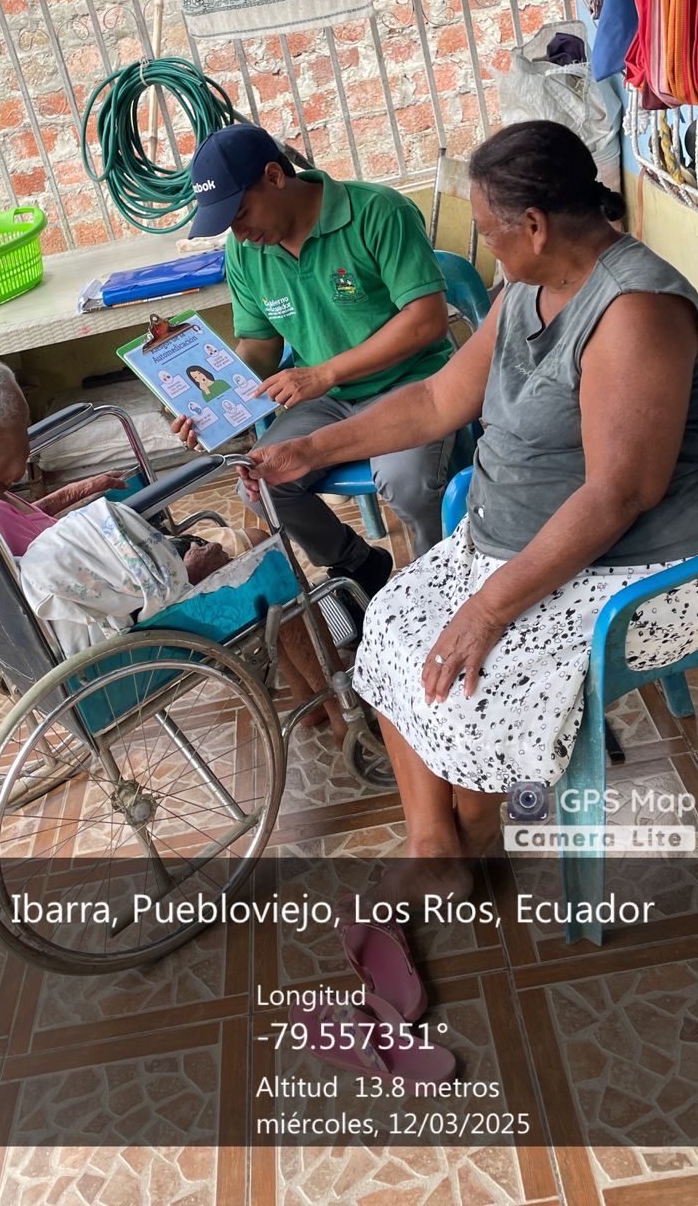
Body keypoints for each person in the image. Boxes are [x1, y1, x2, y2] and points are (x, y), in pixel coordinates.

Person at [244, 122, 698, 905]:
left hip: (629, 564)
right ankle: (436, 845)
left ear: (535, 226)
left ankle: (476, 832)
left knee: (473, 679)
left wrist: (489, 608)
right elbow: (435, 399)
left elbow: (619, 494)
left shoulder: (635, 310)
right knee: (391, 627)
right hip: (510, 540)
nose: (484, 246)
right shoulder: (526, 288)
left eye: (488, 230)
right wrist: (309, 450)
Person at [0, 355, 349, 738]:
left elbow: (22, 531)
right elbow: (100, 599)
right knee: (260, 550)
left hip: (42, 652)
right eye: (24, 428)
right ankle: (341, 708)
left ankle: (309, 700)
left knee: (237, 551)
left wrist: (71, 493)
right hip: (112, 647)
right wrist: (188, 571)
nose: (28, 444)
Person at [172, 124, 454, 599]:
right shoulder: (247, 251)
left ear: (274, 176)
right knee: (260, 482)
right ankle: (358, 564)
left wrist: (326, 373)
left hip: (411, 384)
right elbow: (259, 346)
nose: (240, 233)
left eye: (240, 213)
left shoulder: (377, 212)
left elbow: (427, 321)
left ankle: (443, 582)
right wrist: (210, 406)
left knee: (406, 481)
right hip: (328, 401)